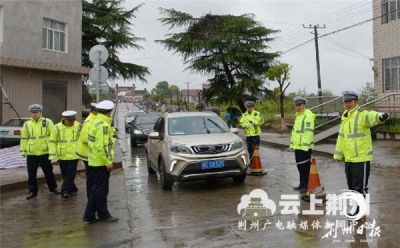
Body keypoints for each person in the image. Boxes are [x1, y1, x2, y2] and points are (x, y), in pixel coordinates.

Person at [333, 90, 389, 220]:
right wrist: (338, 155)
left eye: (350, 101)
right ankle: (356, 209)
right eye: (346, 101)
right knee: (351, 187)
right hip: (349, 158)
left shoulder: (361, 114)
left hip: (361, 158)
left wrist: (381, 116)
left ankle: (361, 212)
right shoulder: (345, 118)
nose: (347, 104)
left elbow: (371, 116)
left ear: (356, 101)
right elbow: (341, 138)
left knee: (360, 188)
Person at [83, 100, 119, 223]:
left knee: (96, 189)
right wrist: (107, 162)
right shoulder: (103, 125)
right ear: (109, 112)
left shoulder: (95, 122)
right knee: (101, 191)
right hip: (100, 162)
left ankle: (90, 215)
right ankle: (102, 215)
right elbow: (101, 146)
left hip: (94, 160)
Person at [20, 104, 60, 200]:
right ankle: (33, 191)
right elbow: (24, 138)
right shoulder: (27, 124)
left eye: (36, 112)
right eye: (33, 113)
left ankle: (53, 188)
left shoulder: (47, 122)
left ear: (40, 112)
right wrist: (23, 150)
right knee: (31, 173)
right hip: (32, 153)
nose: (34, 114)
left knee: (48, 171)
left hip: (44, 151)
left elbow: (54, 135)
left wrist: (52, 150)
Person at [49, 110, 81, 199]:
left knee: (70, 174)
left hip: (74, 155)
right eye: (70, 121)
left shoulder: (78, 126)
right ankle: (73, 189)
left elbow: (81, 139)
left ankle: (65, 191)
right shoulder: (57, 127)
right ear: (65, 119)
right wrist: (53, 157)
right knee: (65, 174)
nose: (72, 122)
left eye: (73, 120)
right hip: (62, 155)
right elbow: (52, 142)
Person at [290, 96, 316, 193]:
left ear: (304, 105)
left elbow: (308, 132)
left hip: (304, 147)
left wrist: (305, 146)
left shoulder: (308, 116)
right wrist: (292, 145)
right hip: (298, 146)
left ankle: (306, 185)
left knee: (305, 168)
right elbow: (295, 132)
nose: (298, 107)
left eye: (300, 105)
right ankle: (302, 184)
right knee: (300, 166)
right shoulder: (298, 116)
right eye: (296, 105)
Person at [76, 103, 97, 199]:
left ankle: (93, 197)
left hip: (91, 154)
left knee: (93, 178)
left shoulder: (94, 120)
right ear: (94, 111)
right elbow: (85, 138)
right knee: (92, 178)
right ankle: (91, 198)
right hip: (88, 155)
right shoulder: (89, 122)